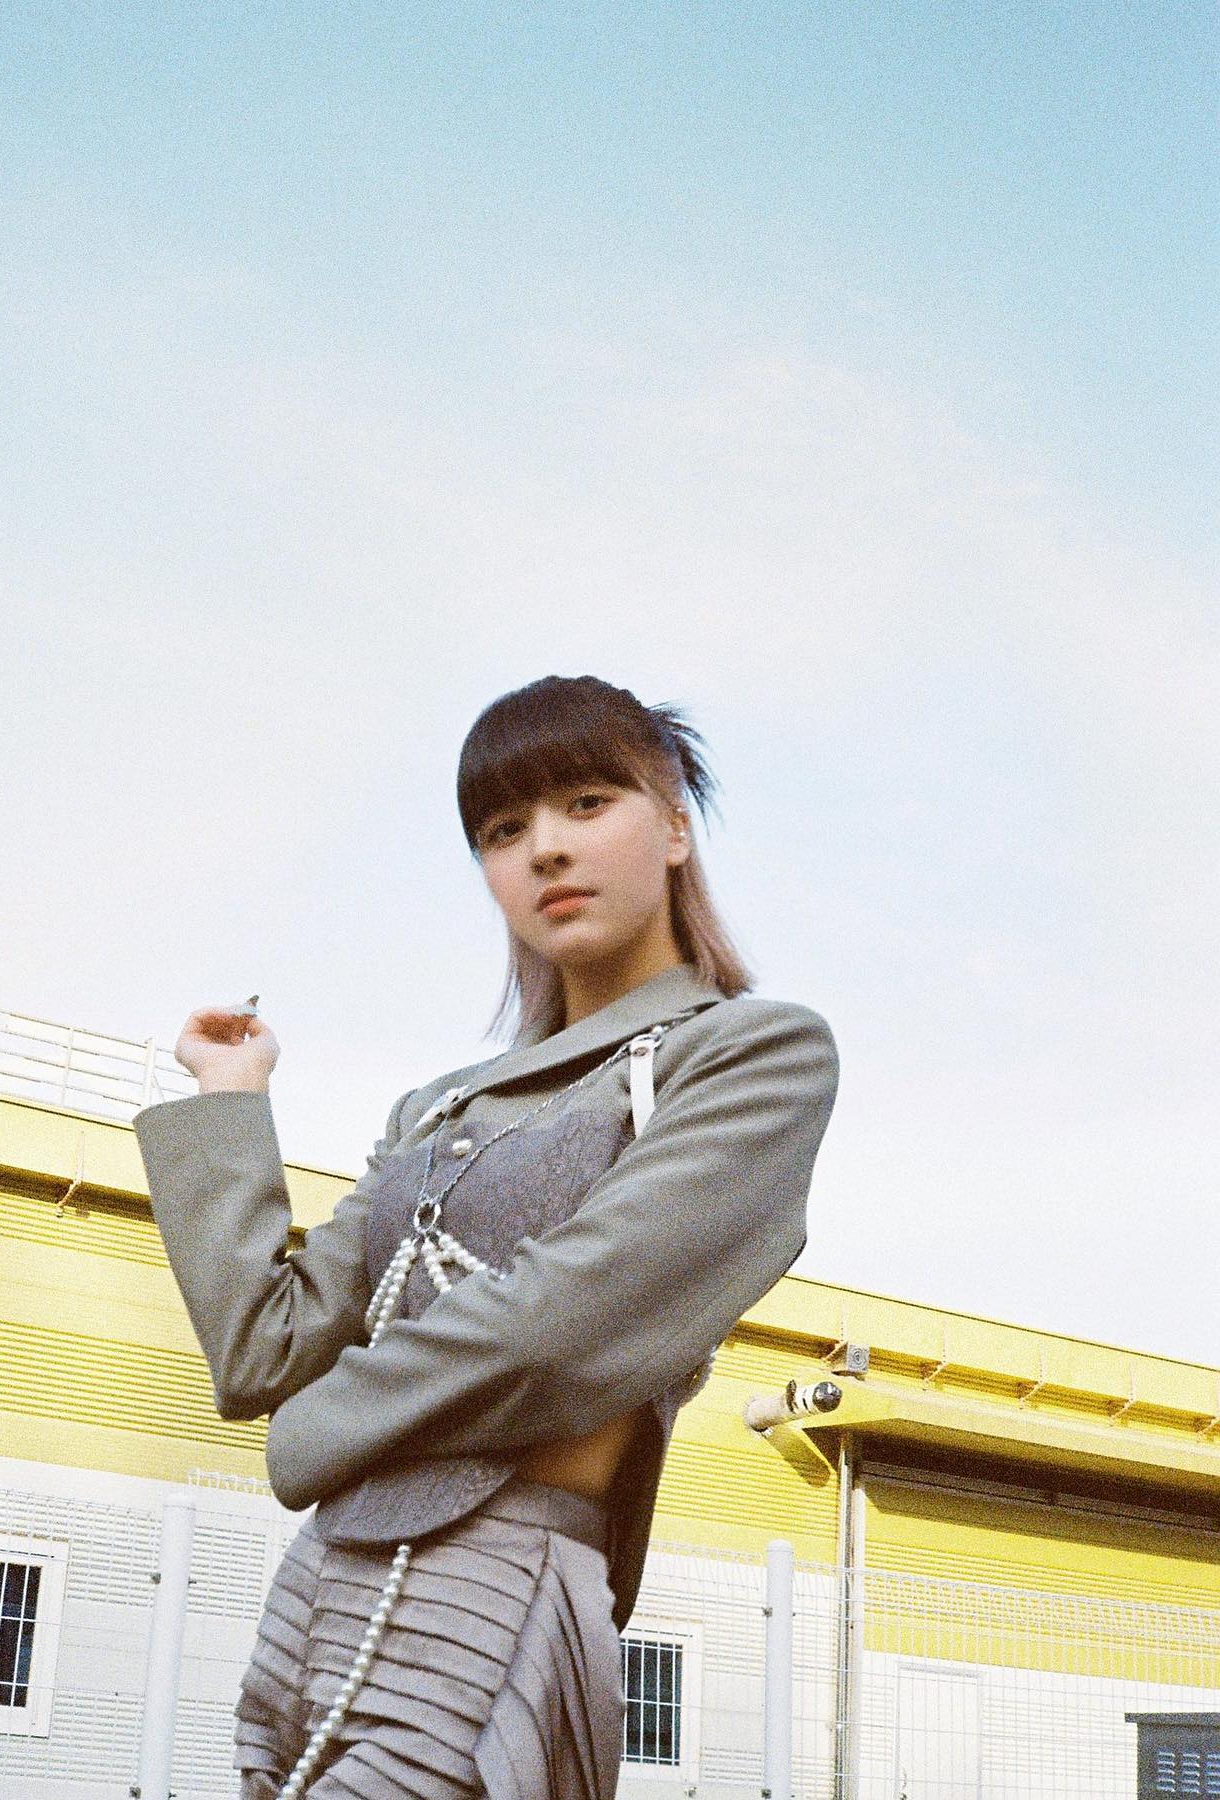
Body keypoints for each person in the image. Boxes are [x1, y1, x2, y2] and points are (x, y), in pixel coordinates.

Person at [134, 674, 840, 1800]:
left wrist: (315, 1435)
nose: (545, 848)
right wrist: (231, 1099)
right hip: (316, 1585)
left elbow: (562, 1326)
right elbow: (264, 1349)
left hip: (494, 1585)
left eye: (587, 803)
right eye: (504, 830)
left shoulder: (750, 1053)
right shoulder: (439, 1107)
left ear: (673, 828)